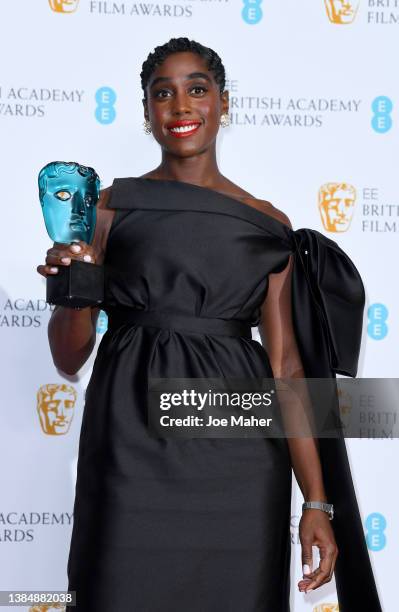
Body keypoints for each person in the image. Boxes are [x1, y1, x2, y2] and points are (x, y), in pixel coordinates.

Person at [37, 37, 382, 612]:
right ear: (146, 112)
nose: (181, 106)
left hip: (240, 465)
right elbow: (68, 359)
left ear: (224, 103)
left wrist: (316, 503)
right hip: (128, 447)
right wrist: (78, 283)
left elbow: (287, 368)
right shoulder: (106, 209)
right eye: (162, 94)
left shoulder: (269, 225)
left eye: (197, 89)